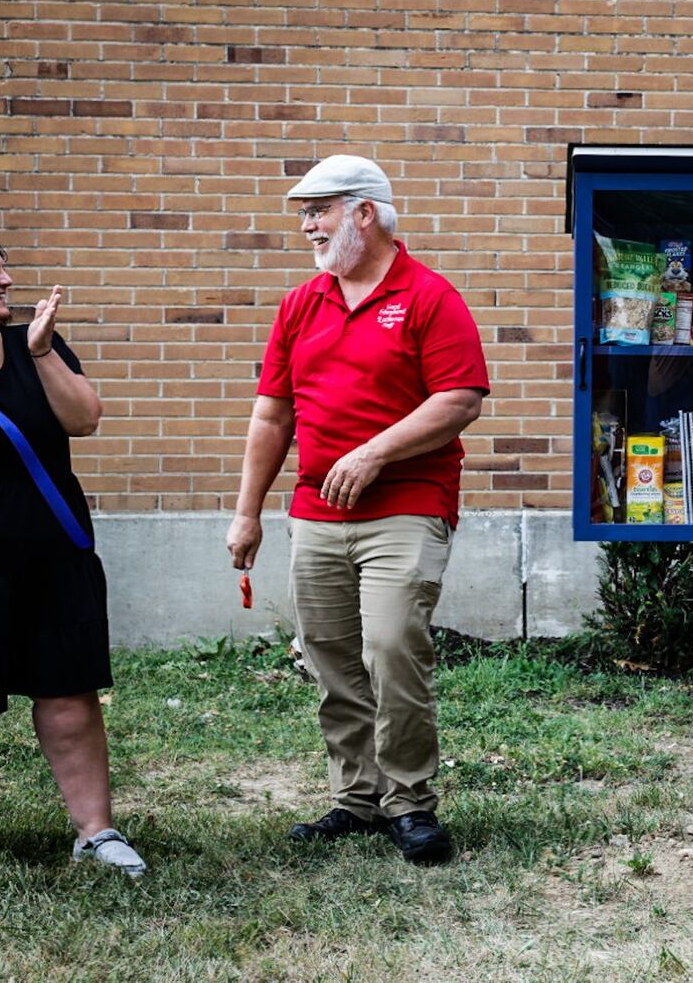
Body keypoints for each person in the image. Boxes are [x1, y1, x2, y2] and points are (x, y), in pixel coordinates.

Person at [225, 155, 489, 865]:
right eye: (304, 213)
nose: (308, 225)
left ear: (365, 213)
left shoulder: (429, 296)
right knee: (332, 657)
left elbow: (459, 398)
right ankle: (358, 798)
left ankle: (410, 802)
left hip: (406, 505)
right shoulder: (301, 304)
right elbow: (272, 416)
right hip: (315, 512)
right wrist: (247, 512)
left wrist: (375, 453)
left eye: (321, 209)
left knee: (393, 645)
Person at [0, 226, 145, 876]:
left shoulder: (32, 343)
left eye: (3, 267)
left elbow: (84, 418)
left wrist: (40, 355)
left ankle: (96, 832)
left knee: (68, 689)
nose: (7, 279)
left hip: (51, 553)